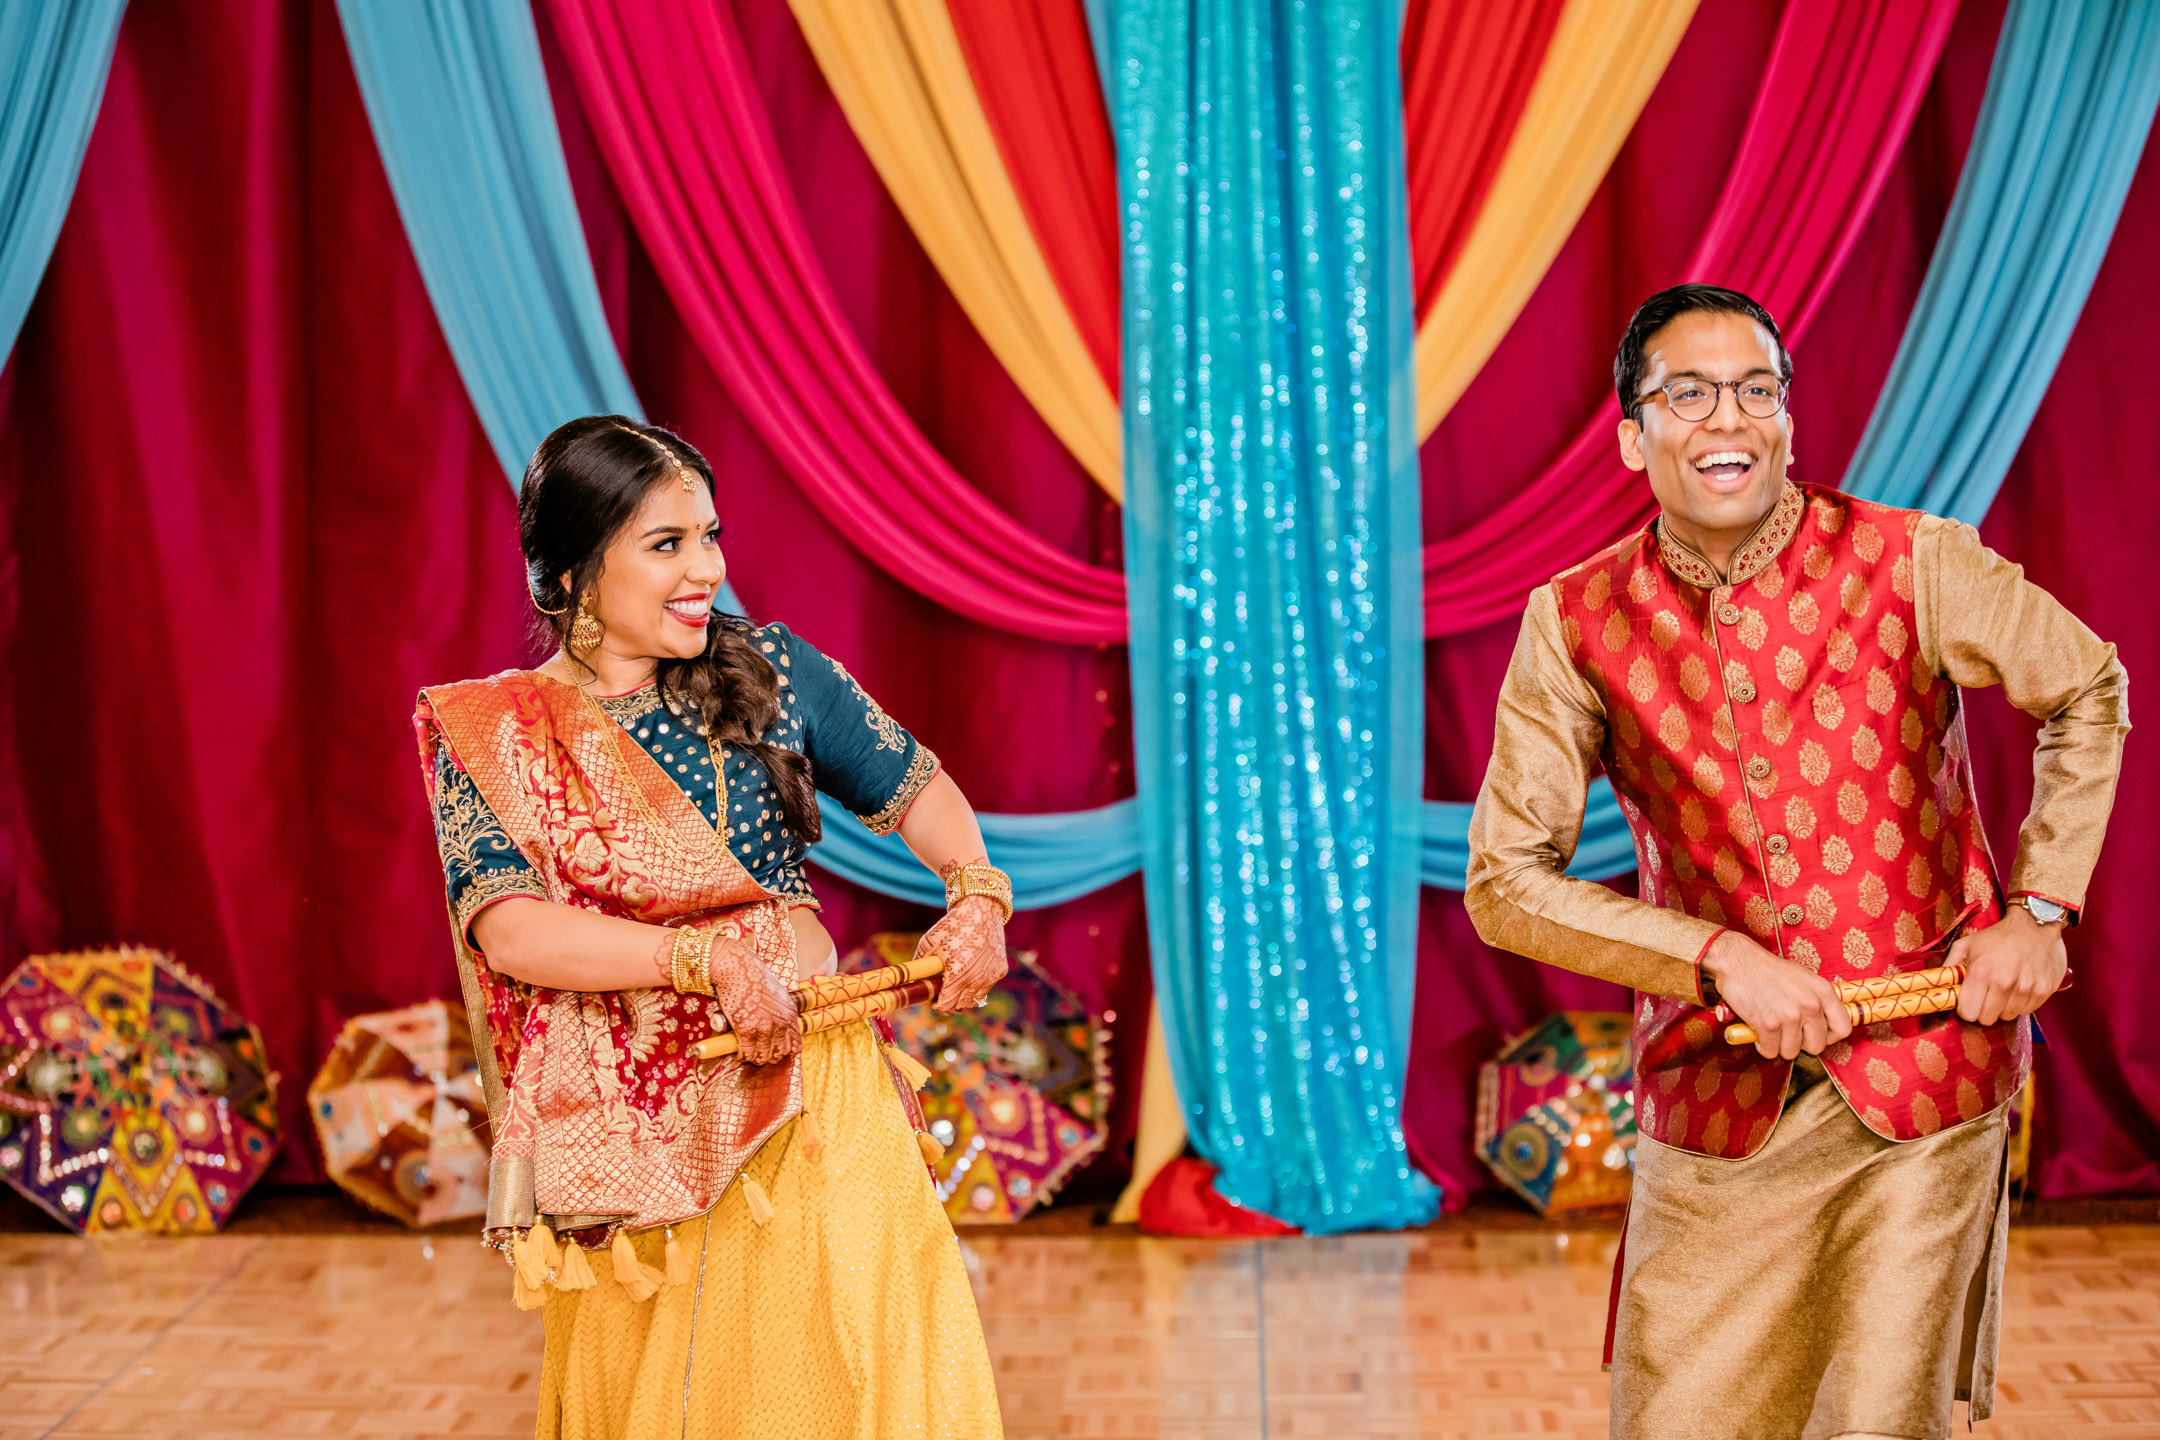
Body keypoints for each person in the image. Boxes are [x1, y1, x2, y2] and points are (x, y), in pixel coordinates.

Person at [1465, 284, 2128, 1439]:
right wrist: (1715, 960)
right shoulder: (1573, 621)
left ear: (1787, 418)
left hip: (1927, 1084)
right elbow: (1504, 880)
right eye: (1690, 393)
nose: (1730, 418)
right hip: (1713, 1095)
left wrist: (2041, 909)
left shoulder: (1912, 560)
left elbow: (2088, 686)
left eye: (1757, 390)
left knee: (1876, 1421)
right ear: (1633, 435)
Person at [416, 416, 1007, 1439]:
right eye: (666, 544)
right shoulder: (496, 731)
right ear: (572, 572)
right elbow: (509, 932)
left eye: (710, 536)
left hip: (814, 1100)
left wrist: (977, 895)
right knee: (670, 1403)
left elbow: (924, 796)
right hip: (626, 1122)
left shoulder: (773, 671)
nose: (707, 570)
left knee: (850, 1382)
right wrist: (703, 960)